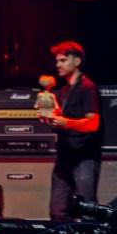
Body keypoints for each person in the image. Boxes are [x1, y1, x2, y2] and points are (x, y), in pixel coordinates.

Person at [40, 41, 102, 223]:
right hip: (64, 155)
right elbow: (63, 121)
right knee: (58, 211)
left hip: (84, 156)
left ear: (77, 61)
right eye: (57, 61)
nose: (57, 65)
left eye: (63, 60)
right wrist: (51, 119)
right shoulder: (64, 90)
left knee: (87, 210)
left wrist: (66, 122)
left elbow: (93, 123)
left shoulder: (88, 88)